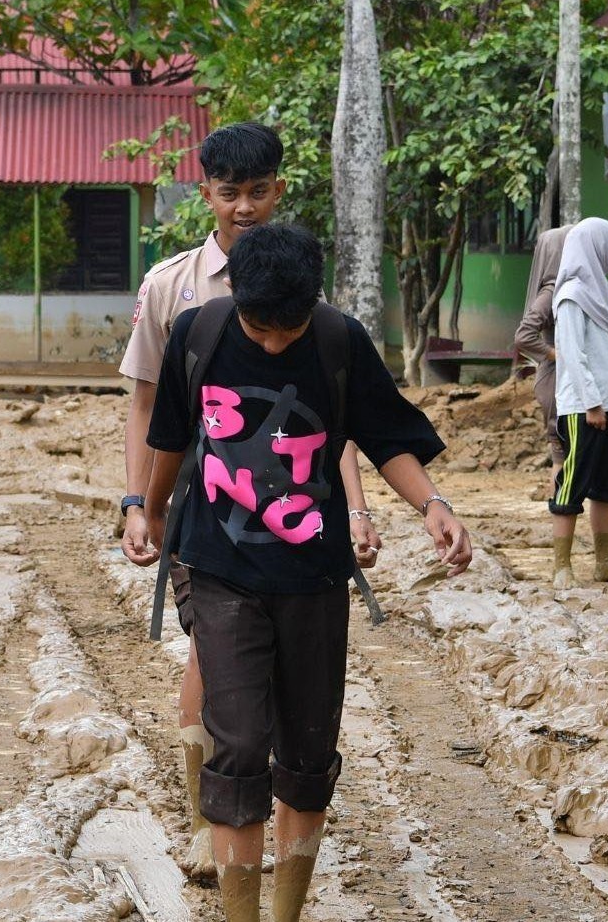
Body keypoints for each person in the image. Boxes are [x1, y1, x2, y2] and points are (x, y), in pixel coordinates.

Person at [143, 223, 472, 922]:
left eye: (285, 331)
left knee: (308, 756)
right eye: (258, 329)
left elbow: (385, 437)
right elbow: (169, 436)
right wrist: (149, 511)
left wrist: (433, 505)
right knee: (237, 747)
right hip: (221, 569)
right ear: (235, 297)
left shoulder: (337, 340)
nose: (271, 344)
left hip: (314, 579)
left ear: (312, 305)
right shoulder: (200, 334)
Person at [118, 122, 381, 878]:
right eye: (229, 193)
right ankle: (211, 822)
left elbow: (330, 419)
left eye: (258, 192)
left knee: (265, 676)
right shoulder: (171, 287)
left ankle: (239, 813)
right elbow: (147, 409)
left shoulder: (301, 288)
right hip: (205, 513)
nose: (244, 207)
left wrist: (355, 507)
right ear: (205, 193)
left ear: (278, 191)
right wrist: (138, 501)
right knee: (211, 654)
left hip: (292, 518)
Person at [514, 225, 608, 549]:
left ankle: (607, 549)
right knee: (569, 468)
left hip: (602, 395)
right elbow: (535, 339)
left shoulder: (603, 292)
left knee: (605, 476)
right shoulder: (563, 294)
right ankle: (562, 555)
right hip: (572, 392)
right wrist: (559, 356)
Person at [548, 217, 608, 589]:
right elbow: (572, 354)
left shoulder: (605, 294)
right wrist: (592, 403)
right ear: (597, 247)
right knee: (572, 482)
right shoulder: (571, 296)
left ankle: (606, 564)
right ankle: (561, 567)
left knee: (607, 484)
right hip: (583, 409)